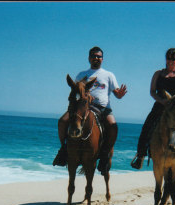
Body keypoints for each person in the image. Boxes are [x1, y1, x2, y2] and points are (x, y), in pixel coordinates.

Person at [53, 46, 127, 175]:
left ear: (102, 59)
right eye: (93, 56)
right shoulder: (82, 75)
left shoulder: (109, 75)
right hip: (82, 107)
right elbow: (75, 93)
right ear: (89, 58)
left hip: (103, 108)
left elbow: (116, 94)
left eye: (99, 56)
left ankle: (105, 154)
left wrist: (120, 94)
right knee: (62, 121)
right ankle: (64, 149)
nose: (96, 58)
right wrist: (85, 97)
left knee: (113, 126)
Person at [130, 48, 175, 169]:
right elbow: (152, 91)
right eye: (169, 58)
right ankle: (140, 155)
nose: (171, 61)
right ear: (166, 59)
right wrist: (162, 100)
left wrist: (174, 100)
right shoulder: (158, 74)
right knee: (147, 126)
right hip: (161, 104)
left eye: (173, 58)